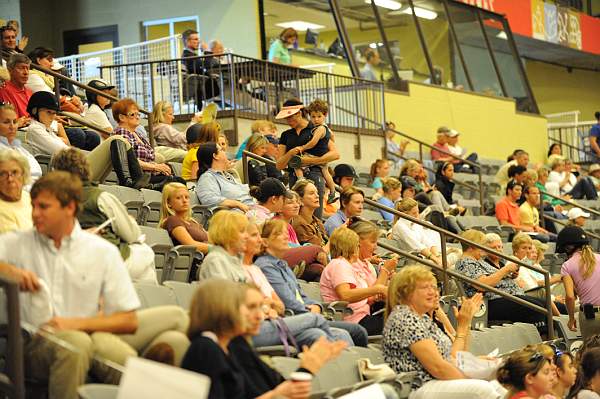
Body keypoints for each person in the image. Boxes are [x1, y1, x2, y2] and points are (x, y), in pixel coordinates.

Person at [0, 171, 191, 398]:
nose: (34, 214)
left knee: (177, 333)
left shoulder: (100, 251)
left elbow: (127, 320)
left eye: (43, 207)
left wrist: (76, 323)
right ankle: (147, 377)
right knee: (79, 343)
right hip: (40, 341)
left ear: (69, 208)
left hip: (91, 330)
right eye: (33, 206)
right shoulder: (18, 243)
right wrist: (7, 270)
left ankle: (147, 379)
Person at [181, 278, 337, 399]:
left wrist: (307, 369)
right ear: (221, 309)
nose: (258, 316)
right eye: (246, 307)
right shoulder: (204, 348)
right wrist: (277, 394)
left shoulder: (235, 345)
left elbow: (274, 385)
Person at [383, 265, 498, 398]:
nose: (434, 292)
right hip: (418, 386)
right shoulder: (404, 318)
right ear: (405, 292)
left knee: (498, 381)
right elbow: (439, 368)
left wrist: (466, 323)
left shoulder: (423, 318)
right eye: (425, 287)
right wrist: (473, 375)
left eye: (434, 287)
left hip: (436, 381)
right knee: (482, 389)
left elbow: (452, 357)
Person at [51, 148, 157, 284]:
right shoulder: (100, 197)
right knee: (146, 252)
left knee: (145, 272)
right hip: (107, 260)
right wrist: (130, 221)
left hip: (75, 260)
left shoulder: (52, 199)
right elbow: (132, 235)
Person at [255, 219, 368, 347]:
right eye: (279, 233)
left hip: (306, 314)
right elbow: (287, 301)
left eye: (286, 232)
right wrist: (310, 312)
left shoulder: (283, 265)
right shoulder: (266, 266)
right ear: (265, 241)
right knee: (348, 333)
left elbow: (301, 295)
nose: (287, 236)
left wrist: (316, 306)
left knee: (351, 332)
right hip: (295, 318)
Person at [231, 283, 347, 398]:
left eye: (261, 307)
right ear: (228, 311)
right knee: (316, 318)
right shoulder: (224, 354)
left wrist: (306, 369)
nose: (259, 315)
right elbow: (279, 392)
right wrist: (306, 370)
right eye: (251, 307)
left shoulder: (244, 349)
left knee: (323, 334)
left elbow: (286, 389)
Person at [455, 229, 548, 333]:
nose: (483, 250)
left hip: (506, 296)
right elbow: (482, 284)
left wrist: (510, 275)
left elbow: (495, 276)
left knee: (545, 304)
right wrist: (506, 269)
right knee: (537, 308)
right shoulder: (465, 262)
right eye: (481, 246)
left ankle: (553, 339)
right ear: (472, 246)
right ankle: (542, 342)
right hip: (490, 301)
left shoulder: (478, 260)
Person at [276, 98, 340, 218]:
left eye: (290, 117)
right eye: (286, 118)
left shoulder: (317, 128)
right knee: (296, 218)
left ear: (299, 113)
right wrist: (290, 153)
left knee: (315, 217)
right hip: (294, 178)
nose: (288, 121)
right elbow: (279, 165)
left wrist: (308, 161)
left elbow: (335, 154)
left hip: (315, 175)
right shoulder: (286, 135)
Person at [320, 226, 388, 335]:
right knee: (402, 323)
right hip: (354, 320)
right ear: (349, 247)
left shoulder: (346, 265)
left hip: (362, 315)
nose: (359, 248)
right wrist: (377, 289)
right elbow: (345, 295)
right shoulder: (339, 264)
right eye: (357, 245)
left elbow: (364, 298)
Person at [287, 99, 337, 204]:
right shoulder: (326, 128)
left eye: (319, 116)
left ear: (325, 115)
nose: (316, 119)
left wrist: (303, 148)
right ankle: (333, 191)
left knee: (295, 161)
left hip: (314, 154)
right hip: (322, 155)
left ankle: (300, 179)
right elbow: (332, 137)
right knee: (325, 172)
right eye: (313, 117)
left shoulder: (320, 129)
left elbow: (313, 142)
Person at [558, 226, 600, 338]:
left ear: (567, 248)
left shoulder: (567, 266)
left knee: (590, 353)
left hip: (590, 315)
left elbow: (570, 297)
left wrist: (571, 318)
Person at [195, 142, 255, 212]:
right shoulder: (207, 178)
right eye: (221, 150)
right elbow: (209, 200)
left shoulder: (227, 175)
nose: (225, 152)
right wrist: (237, 204)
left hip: (251, 209)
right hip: (237, 216)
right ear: (215, 156)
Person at [391, 198, 446, 267]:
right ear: (405, 214)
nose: (418, 216)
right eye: (414, 213)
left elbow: (426, 241)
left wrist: (437, 256)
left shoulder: (415, 224)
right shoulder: (400, 226)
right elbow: (417, 246)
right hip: (410, 261)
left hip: (423, 257)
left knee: (456, 252)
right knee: (441, 264)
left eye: (418, 212)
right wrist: (435, 259)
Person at [197, 210, 248, 282]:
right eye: (242, 231)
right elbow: (224, 292)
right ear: (227, 233)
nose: (247, 236)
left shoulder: (236, 258)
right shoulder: (215, 260)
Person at [159, 182, 209, 253]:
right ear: (168, 203)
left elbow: (213, 238)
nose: (184, 201)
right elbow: (191, 245)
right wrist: (216, 249)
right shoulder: (172, 220)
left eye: (186, 197)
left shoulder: (192, 221)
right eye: (178, 198)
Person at [0, 102, 41, 189]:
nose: (12, 126)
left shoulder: (19, 148)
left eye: (15, 122)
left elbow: (37, 172)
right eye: (6, 122)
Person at [0, 149, 32, 233]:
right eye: (3, 174)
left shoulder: (28, 196)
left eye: (15, 172)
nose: (10, 179)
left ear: (24, 174)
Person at [291, 179, 328, 247]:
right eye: (311, 193)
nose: (317, 196)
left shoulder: (316, 221)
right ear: (300, 200)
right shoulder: (300, 225)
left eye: (317, 193)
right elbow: (318, 251)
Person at [0, 53, 33, 123]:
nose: (26, 72)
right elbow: (12, 121)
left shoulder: (29, 91)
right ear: (10, 70)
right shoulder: (4, 90)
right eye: (22, 68)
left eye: (28, 68)